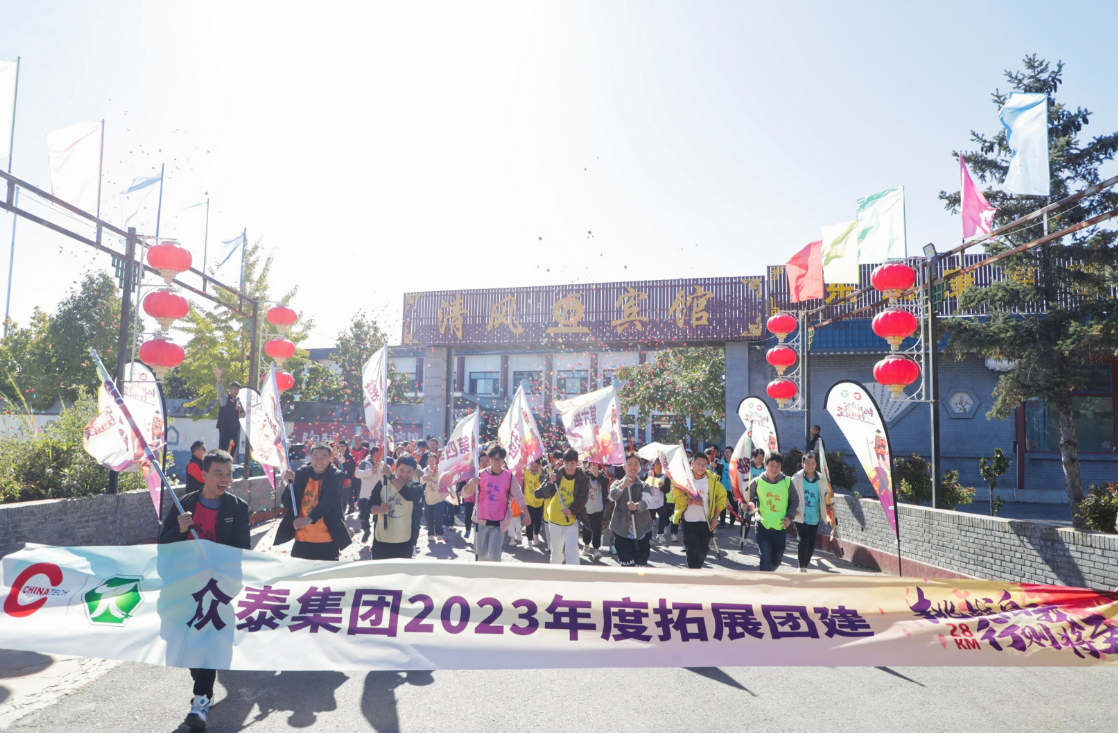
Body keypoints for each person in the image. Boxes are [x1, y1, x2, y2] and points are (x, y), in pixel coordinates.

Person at [158, 449, 249, 731]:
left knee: (208, 642)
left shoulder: (237, 508)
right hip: (182, 586)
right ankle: (203, 685)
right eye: (218, 473)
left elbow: (242, 549)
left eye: (228, 473)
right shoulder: (183, 504)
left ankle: (200, 702)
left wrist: (220, 562)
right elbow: (164, 545)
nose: (225, 479)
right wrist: (180, 530)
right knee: (185, 644)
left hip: (216, 587)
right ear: (204, 474)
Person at [276, 442, 352, 561]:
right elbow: (287, 503)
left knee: (325, 573)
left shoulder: (336, 476)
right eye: (315, 456)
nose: (319, 461)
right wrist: (291, 485)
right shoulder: (302, 473)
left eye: (323, 457)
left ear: (330, 458)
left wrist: (308, 519)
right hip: (302, 539)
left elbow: (328, 501)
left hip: (327, 540)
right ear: (310, 457)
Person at [461, 445, 529, 562]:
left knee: (494, 556)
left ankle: (494, 574)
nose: (497, 461)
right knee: (481, 556)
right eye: (494, 458)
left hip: (499, 523)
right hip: (481, 521)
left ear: (504, 459)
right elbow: (464, 494)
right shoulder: (480, 475)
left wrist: (527, 514)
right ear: (490, 459)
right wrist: (471, 484)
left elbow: (518, 496)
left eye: (500, 458)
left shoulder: (509, 477)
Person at [670, 452, 727, 569]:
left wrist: (716, 517)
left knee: (703, 549)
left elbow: (721, 498)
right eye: (698, 464)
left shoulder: (712, 479)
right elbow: (676, 497)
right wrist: (692, 501)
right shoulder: (684, 479)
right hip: (689, 521)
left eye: (704, 464)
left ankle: (696, 569)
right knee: (692, 549)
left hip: (706, 521)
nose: (701, 467)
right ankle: (693, 573)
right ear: (692, 463)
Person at [746, 452, 800, 572]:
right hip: (762, 526)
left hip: (780, 526)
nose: (774, 468)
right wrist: (747, 505)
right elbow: (746, 499)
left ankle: (768, 574)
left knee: (777, 559)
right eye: (771, 465)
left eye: (777, 466)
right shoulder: (757, 482)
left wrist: (789, 517)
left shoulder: (787, 482)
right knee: (765, 556)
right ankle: (765, 581)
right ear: (765, 465)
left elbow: (794, 500)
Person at [535, 448, 589, 565]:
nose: (569, 467)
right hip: (554, 519)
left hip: (571, 521)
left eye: (572, 464)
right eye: (567, 464)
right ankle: (556, 572)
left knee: (572, 550)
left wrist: (571, 510)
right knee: (556, 552)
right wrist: (550, 483)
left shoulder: (583, 478)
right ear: (563, 462)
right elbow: (539, 494)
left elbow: (582, 499)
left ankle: (573, 574)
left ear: (577, 463)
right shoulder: (556, 474)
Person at [367, 454, 424, 559]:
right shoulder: (383, 483)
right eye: (401, 470)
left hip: (404, 542)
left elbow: (409, 495)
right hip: (382, 541)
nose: (405, 475)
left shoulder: (416, 486)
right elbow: (369, 507)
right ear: (396, 468)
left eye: (409, 471)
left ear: (415, 471)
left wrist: (391, 477)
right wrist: (379, 509)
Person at [609, 452, 659, 567]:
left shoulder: (644, 486)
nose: (633, 467)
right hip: (622, 530)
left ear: (640, 467)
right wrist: (622, 486)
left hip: (642, 530)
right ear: (624, 466)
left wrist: (636, 506)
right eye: (629, 464)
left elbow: (647, 502)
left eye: (636, 464)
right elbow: (612, 497)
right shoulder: (617, 484)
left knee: (640, 565)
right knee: (627, 566)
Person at [791, 451, 830, 572]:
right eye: (807, 463)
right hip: (800, 514)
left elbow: (825, 494)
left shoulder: (821, 478)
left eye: (812, 463)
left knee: (812, 543)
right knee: (803, 540)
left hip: (815, 515)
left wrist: (830, 495)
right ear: (802, 464)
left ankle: (805, 564)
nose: (810, 465)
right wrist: (792, 510)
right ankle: (801, 566)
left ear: (816, 464)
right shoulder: (796, 478)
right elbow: (789, 494)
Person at [212, 367, 244, 461]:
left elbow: (243, 415)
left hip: (234, 430)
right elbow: (221, 392)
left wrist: (241, 410)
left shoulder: (239, 401)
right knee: (223, 451)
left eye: (237, 389)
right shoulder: (225, 399)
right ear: (230, 390)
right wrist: (219, 378)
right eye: (234, 389)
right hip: (225, 429)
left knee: (232, 452)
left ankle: (229, 464)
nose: (236, 391)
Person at [580, 462, 608, 561]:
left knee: (597, 529)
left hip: (598, 507)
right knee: (587, 527)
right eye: (592, 465)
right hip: (586, 507)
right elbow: (579, 479)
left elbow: (605, 482)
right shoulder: (584, 475)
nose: (594, 468)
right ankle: (586, 545)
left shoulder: (601, 475)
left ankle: (596, 549)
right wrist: (588, 472)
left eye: (596, 466)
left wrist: (598, 475)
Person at [458, 452, 488, 540]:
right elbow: (462, 480)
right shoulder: (467, 470)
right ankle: (468, 529)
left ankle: (477, 532)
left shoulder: (485, 473)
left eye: (486, 460)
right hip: (468, 497)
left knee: (477, 515)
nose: (484, 462)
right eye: (481, 460)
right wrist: (459, 489)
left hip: (479, 499)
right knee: (468, 513)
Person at [521, 457, 546, 548]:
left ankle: (536, 534)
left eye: (536, 466)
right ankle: (529, 541)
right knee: (529, 521)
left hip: (539, 501)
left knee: (537, 521)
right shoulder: (526, 471)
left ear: (539, 465)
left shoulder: (542, 472)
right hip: (528, 501)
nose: (534, 468)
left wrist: (542, 472)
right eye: (532, 466)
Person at [420, 452, 445, 543]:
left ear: (436, 460)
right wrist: (430, 475)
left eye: (433, 460)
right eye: (429, 460)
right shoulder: (426, 470)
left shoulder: (441, 469)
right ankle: (430, 533)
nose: (431, 462)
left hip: (439, 496)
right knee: (429, 516)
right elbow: (421, 480)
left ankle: (439, 533)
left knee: (438, 515)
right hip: (429, 497)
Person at [646, 458, 672, 544]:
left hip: (661, 501)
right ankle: (649, 537)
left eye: (657, 463)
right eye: (654, 463)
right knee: (649, 521)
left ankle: (660, 533)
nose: (655, 465)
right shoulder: (649, 474)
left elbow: (667, 490)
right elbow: (642, 484)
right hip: (650, 501)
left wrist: (662, 486)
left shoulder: (665, 476)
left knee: (663, 518)